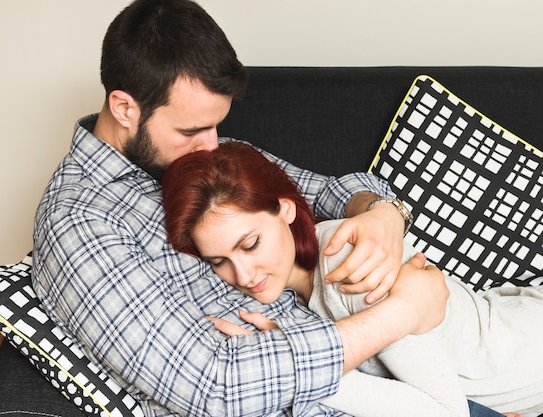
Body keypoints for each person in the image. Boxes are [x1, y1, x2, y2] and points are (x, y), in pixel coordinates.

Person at [31, 0, 451, 416]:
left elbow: (327, 192)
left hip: (410, 381)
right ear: (125, 108)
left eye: (217, 125)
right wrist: (404, 313)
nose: (213, 144)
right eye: (192, 130)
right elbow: (214, 385)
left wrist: (382, 213)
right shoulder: (80, 221)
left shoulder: (207, 160)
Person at [162, 141, 543, 417]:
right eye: (218, 261)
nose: (241, 275)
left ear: (286, 210)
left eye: (250, 243)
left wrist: (303, 368)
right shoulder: (307, 292)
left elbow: (447, 414)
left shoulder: (348, 262)